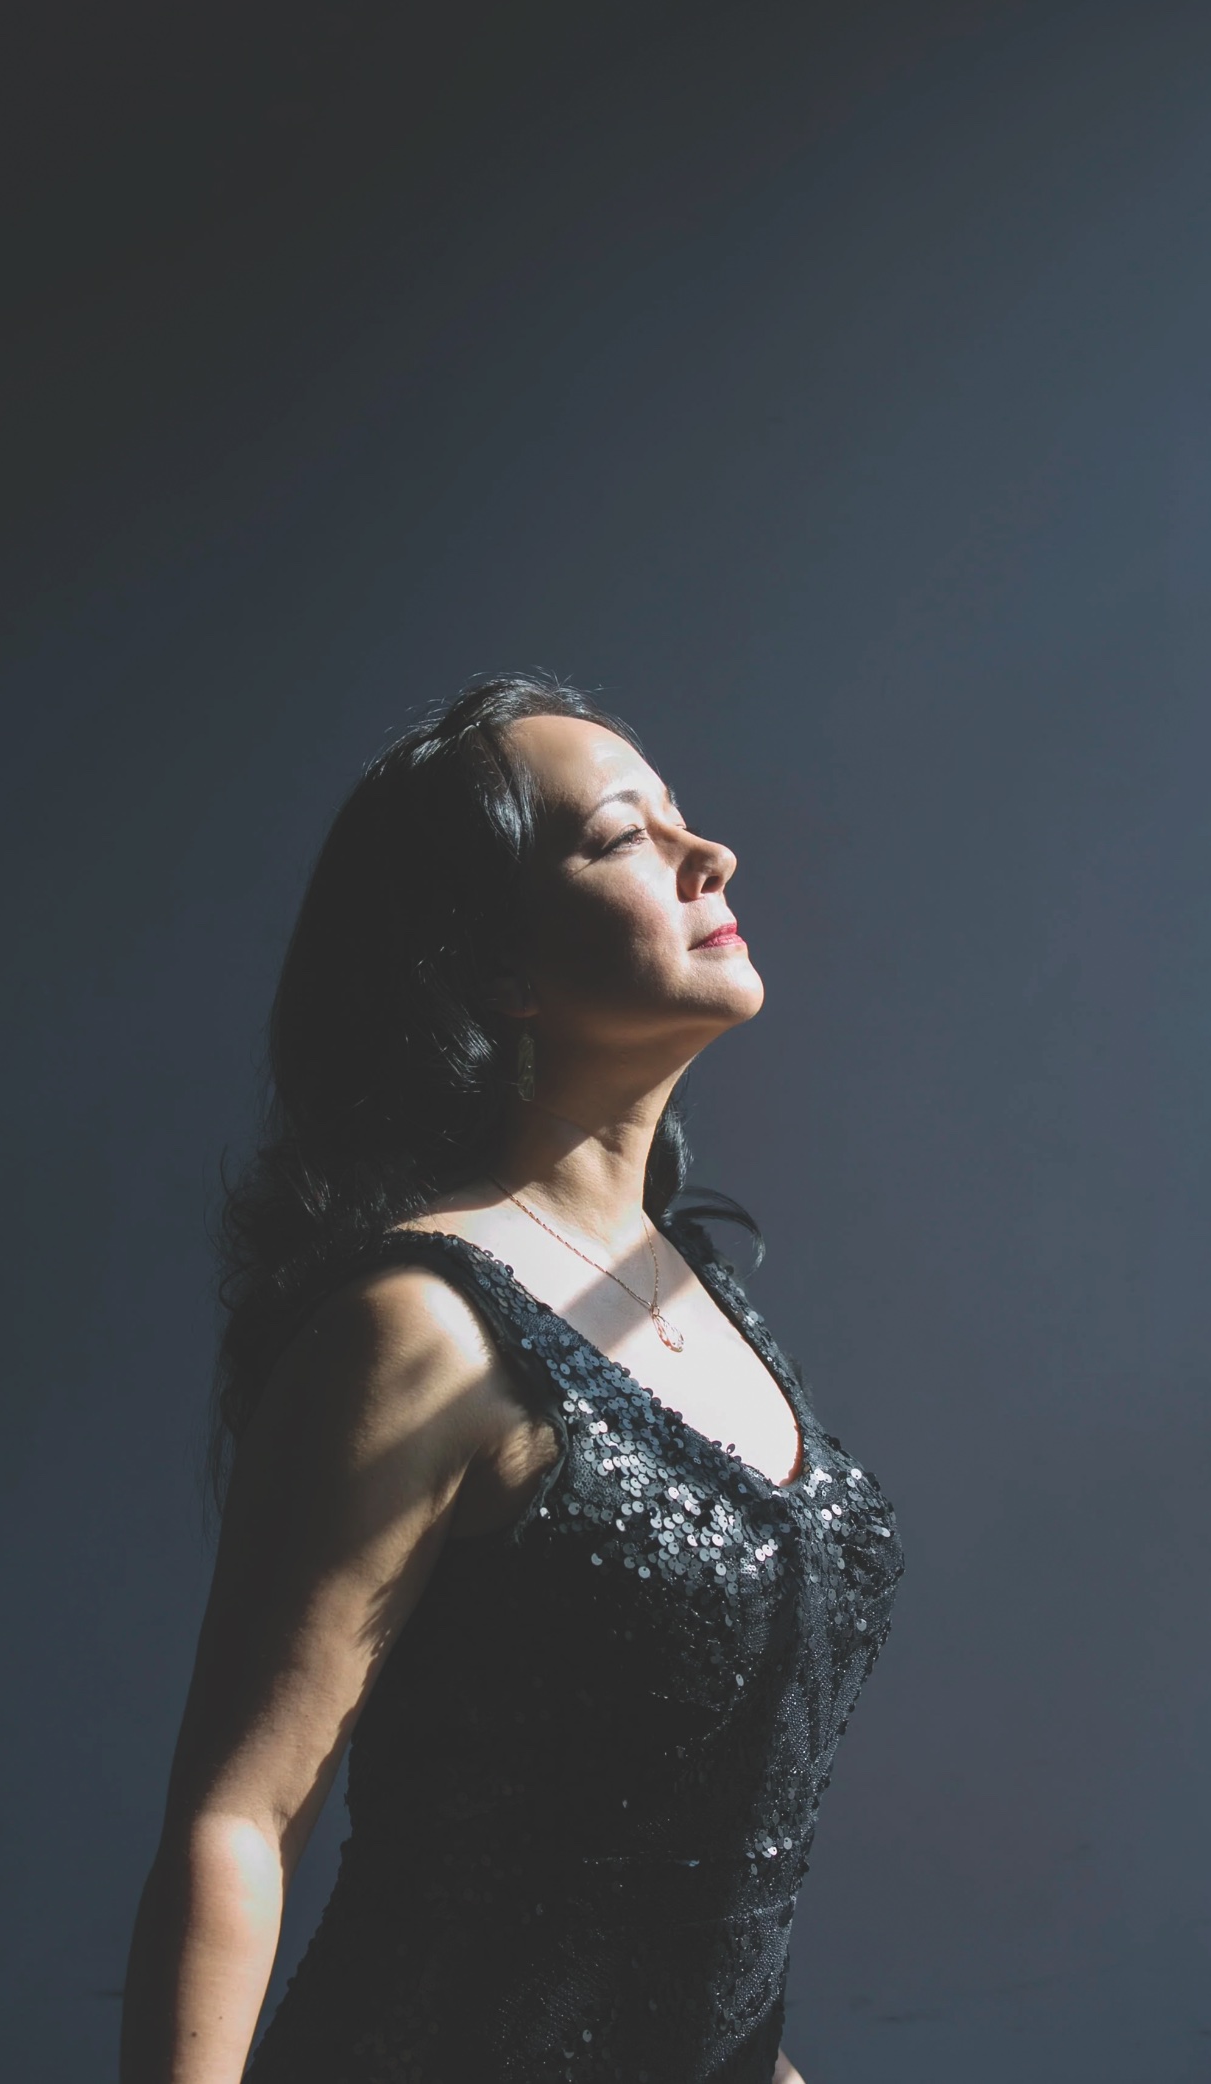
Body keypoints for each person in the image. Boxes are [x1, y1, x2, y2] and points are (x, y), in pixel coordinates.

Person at [120, 673, 903, 2084]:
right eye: (622, 837)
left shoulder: (697, 1293)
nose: (709, 854)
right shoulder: (414, 1324)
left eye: (682, 816)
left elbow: (703, 1880)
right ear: (494, 969)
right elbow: (238, 1824)